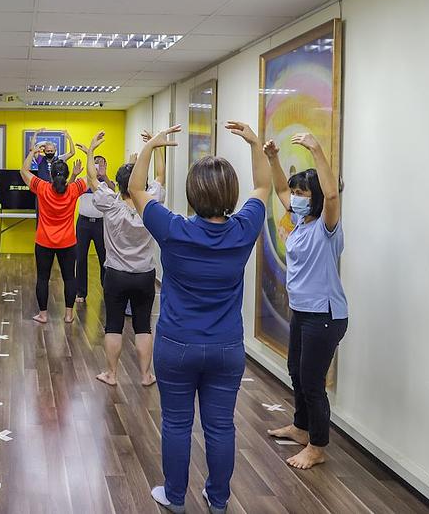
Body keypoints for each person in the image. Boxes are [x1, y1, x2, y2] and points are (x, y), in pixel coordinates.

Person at [129, 122, 271, 514]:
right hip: (226, 348)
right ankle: (218, 499)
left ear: (192, 194)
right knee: (221, 426)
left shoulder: (173, 229)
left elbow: (136, 189)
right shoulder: (243, 229)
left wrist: (151, 149)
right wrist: (255, 144)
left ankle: (175, 497)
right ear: (231, 194)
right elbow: (264, 186)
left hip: (176, 345)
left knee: (176, 424)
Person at [264, 133, 347, 471]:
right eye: (296, 193)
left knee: (312, 381)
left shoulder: (327, 227)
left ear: (316, 199)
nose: (296, 198)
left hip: (324, 315)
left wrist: (316, 148)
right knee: (296, 372)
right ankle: (301, 427)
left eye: (303, 193)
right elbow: (280, 189)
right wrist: (273, 158)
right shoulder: (301, 221)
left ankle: (317, 446)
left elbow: (332, 195)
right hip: (302, 312)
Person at [79, 131, 166, 387]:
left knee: (114, 325)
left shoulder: (110, 202)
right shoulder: (151, 202)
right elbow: (161, 176)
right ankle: (146, 375)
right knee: (143, 326)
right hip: (145, 275)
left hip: (116, 274)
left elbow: (92, 178)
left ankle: (111, 373)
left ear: (117, 184)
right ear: (141, 183)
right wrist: (156, 146)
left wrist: (91, 150)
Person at [20, 142, 86, 324]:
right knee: (69, 278)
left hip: (44, 242)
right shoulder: (73, 189)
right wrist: (89, 154)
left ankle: (43, 315)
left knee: (43, 278)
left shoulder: (42, 187)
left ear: (50, 174)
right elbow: (92, 177)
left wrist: (32, 152)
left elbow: (23, 171)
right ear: (67, 175)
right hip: (68, 243)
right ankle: (68, 315)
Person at [74, 152, 114, 302]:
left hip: (100, 224)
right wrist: (89, 174)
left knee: (104, 257)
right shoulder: (83, 182)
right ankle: (81, 292)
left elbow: (113, 190)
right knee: (80, 258)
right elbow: (71, 188)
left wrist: (104, 176)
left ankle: (107, 289)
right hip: (83, 224)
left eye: (102, 163)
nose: (98, 166)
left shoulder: (107, 184)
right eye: (95, 163)